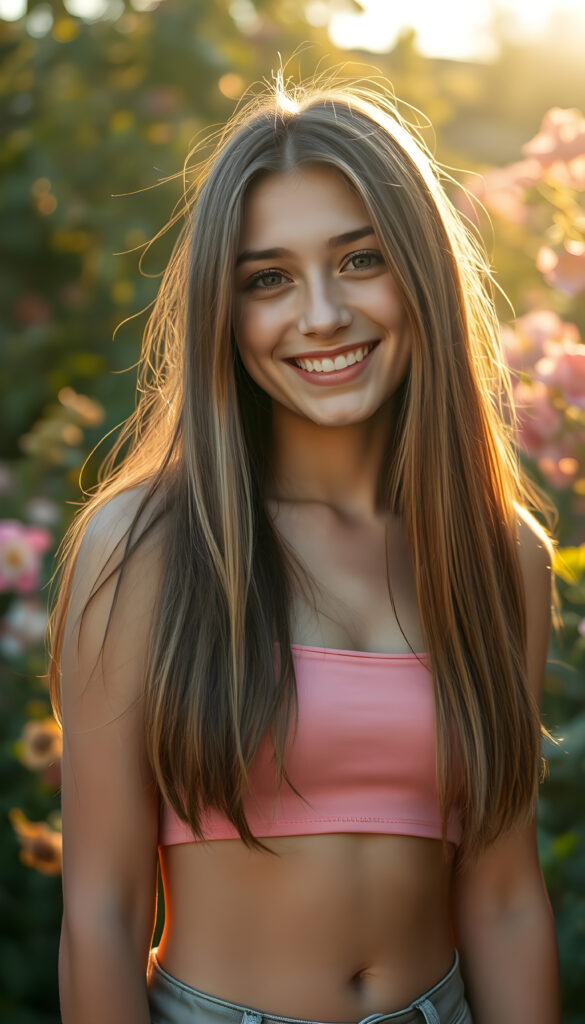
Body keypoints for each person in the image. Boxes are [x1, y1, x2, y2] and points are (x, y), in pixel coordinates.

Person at [49, 73, 563, 1024]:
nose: (320, 315)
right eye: (268, 279)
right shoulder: (144, 547)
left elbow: (502, 898)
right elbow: (102, 910)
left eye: (360, 260)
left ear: (421, 274)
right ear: (224, 309)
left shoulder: (502, 558)